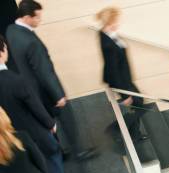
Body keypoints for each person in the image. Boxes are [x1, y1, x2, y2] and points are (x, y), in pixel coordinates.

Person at [6, 0, 93, 162]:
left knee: (47, 123)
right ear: (26, 17)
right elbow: (43, 70)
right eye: (37, 18)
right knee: (67, 118)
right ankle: (79, 151)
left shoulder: (11, 30)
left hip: (31, 89)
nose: (40, 20)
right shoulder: (30, 41)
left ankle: (58, 151)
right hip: (45, 90)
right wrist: (58, 94)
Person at [0, 35, 69, 173]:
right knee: (52, 155)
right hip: (33, 132)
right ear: (2, 51)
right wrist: (50, 124)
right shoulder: (16, 80)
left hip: (7, 138)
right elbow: (35, 107)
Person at [96, 6, 146, 142]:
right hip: (120, 81)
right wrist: (125, 94)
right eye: (117, 21)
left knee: (138, 104)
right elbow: (113, 70)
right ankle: (114, 129)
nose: (119, 23)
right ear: (110, 22)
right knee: (140, 106)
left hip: (125, 78)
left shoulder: (107, 33)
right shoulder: (108, 44)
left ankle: (135, 134)